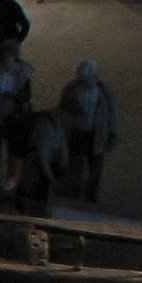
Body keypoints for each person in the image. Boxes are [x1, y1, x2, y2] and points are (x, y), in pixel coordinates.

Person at [56, 59, 121, 203]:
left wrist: (114, 133)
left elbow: (113, 113)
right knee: (75, 164)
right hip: (77, 133)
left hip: (96, 134)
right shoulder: (72, 90)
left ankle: (91, 194)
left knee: (95, 167)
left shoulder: (103, 92)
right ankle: (73, 190)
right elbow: (62, 110)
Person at [0, 39, 35, 189]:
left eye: (10, 56)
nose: (7, 59)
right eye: (5, 56)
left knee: (12, 151)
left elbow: (27, 96)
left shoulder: (23, 73)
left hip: (14, 117)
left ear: (15, 56)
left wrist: (15, 96)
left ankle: (10, 180)